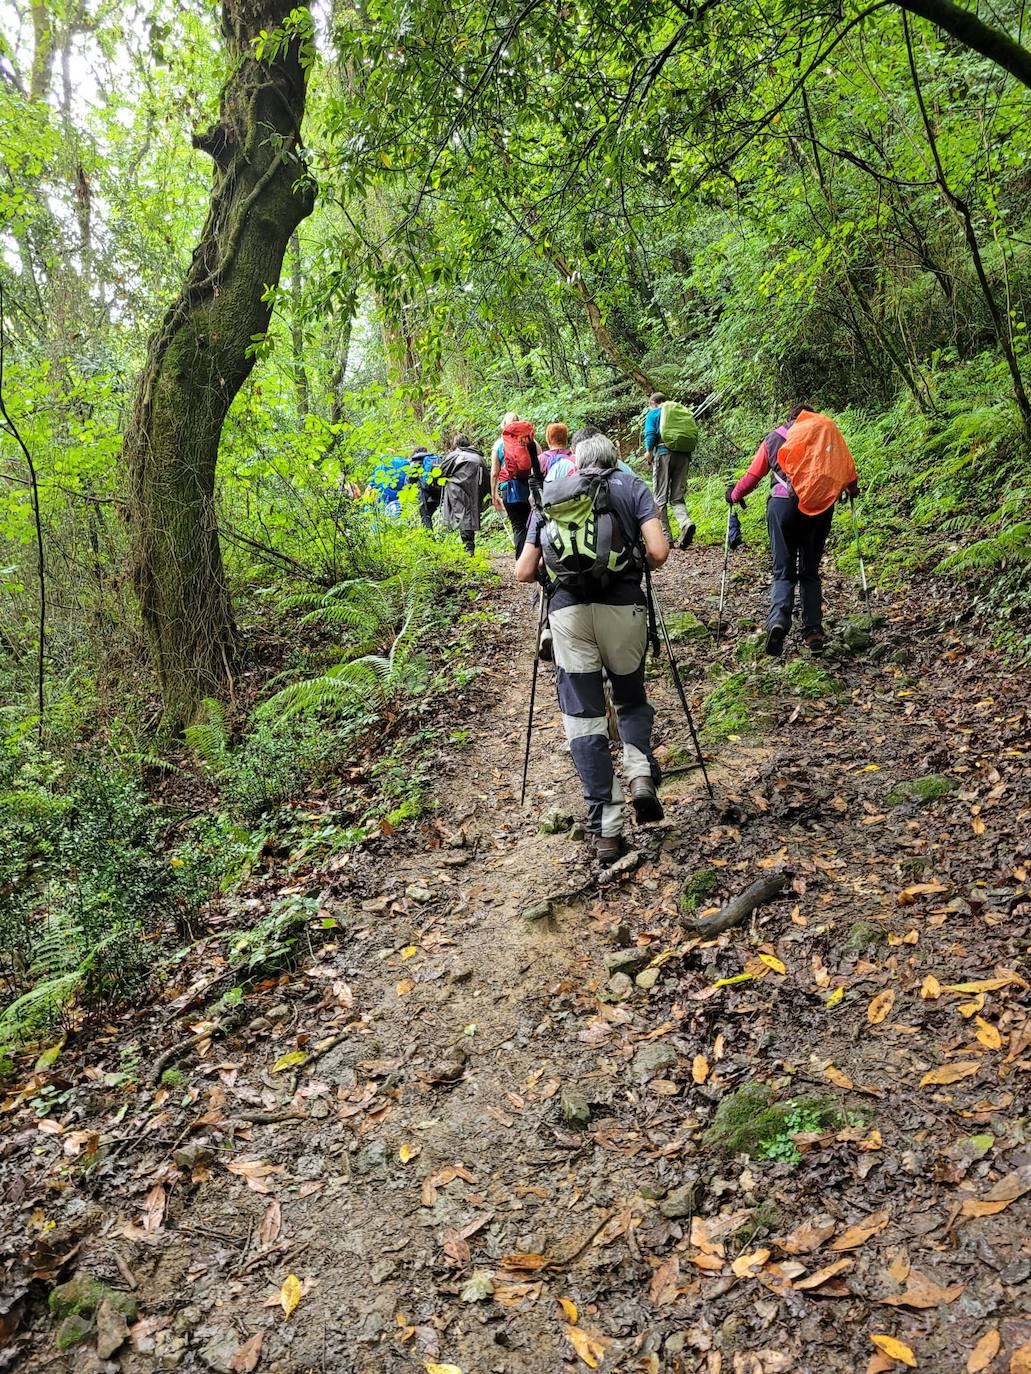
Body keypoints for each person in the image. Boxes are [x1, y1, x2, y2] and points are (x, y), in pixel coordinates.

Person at [515, 431, 669, 865]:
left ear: (577, 463)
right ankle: (640, 774)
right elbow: (658, 552)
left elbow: (524, 571)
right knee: (630, 698)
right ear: (615, 459)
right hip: (623, 609)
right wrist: (637, 558)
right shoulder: (632, 486)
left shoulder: (552, 494)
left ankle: (606, 829)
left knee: (583, 720)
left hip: (568, 616)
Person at [727, 403, 859, 656]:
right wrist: (852, 490)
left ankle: (778, 622)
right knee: (809, 572)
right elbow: (847, 469)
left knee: (783, 571)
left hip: (782, 507)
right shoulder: (825, 436)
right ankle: (813, 633)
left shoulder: (775, 437)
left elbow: (754, 475)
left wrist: (734, 494)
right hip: (819, 508)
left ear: (789, 419)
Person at [644, 392, 696, 549]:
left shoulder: (654, 413)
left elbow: (651, 434)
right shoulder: (678, 413)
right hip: (684, 456)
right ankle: (685, 523)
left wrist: (649, 451)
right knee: (677, 497)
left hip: (663, 454)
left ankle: (667, 538)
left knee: (660, 498)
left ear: (653, 403)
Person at [491, 412, 539, 557]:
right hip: (531, 488)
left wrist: (494, 494)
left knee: (518, 527)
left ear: (504, 426)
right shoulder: (532, 441)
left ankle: (521, 562)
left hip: (508, 489)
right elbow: (540, 465)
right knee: (531, 525)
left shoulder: (499, 444)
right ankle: (534, 565)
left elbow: (494, 472)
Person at [439, 436, 489, 554]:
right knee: (469, 516)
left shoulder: (453, 456)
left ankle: (468, 547)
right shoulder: (478, 457)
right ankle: (469, 545)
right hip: (476, 490)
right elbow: (486, 475)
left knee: (463, 517)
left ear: (456, 444)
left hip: (457, 490)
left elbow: (441, 472)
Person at [413, 445, 443, 531]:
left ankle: (430, 538)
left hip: (426, 494)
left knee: (426, 516)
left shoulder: (418, 461)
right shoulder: (436, 459)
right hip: (439, 492)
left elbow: (410, 479)